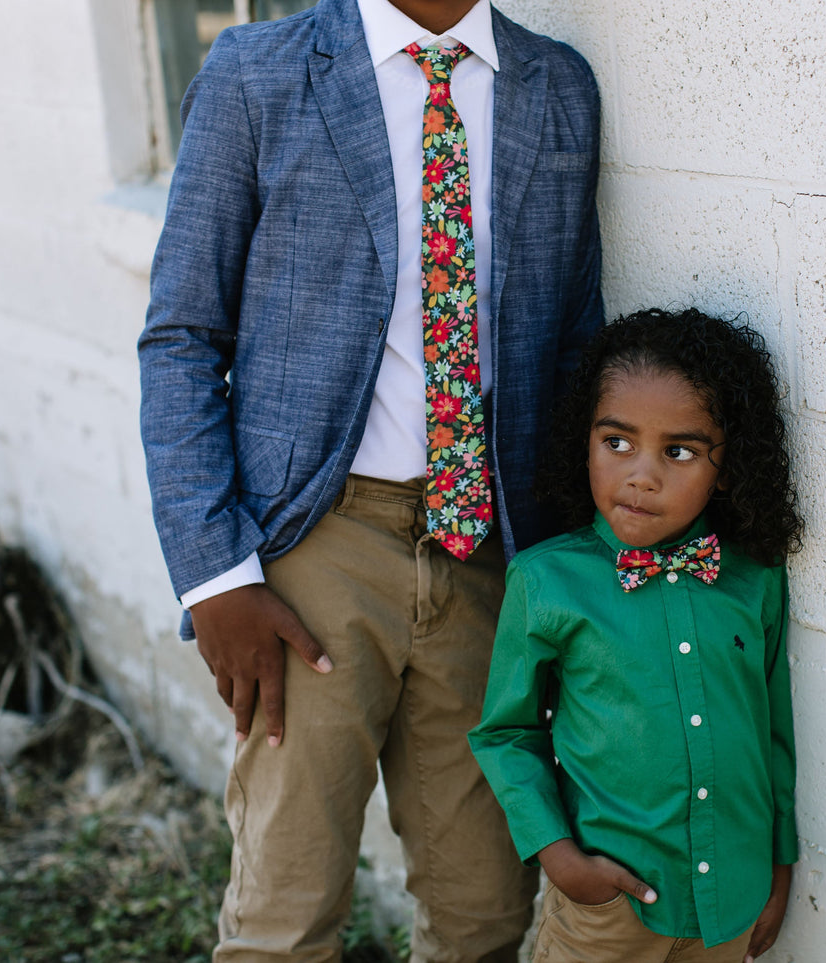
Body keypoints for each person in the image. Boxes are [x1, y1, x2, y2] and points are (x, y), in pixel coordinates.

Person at [137, 0, 603, 958]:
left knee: (482, 911)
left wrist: (571, 575)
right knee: (285, 906)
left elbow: (571, 351)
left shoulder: (556, 86)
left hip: (487, 551)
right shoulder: (257, 73)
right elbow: (182, 335)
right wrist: (216, 573)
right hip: (312, 550)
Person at [468, 308, 803, 963]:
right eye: (616, 442)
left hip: (730, 902)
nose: (641, 474)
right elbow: (505, 733)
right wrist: (558, 856)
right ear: (584, 442)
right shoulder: (546, 581)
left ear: (726, 466)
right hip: (607, 910)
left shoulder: (753, 579)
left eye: (678, 451)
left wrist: (778, 863)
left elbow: (773, 732)